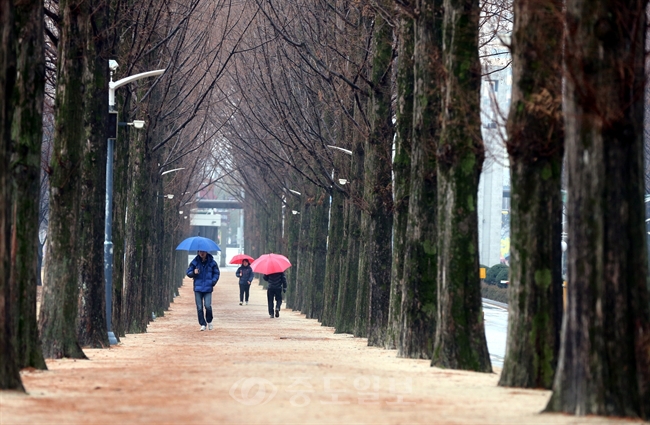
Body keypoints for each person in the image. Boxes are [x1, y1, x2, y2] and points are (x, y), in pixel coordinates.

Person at [186, 250, 220, 331]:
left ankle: (209, 320)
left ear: (207, 252)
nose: (202, 253)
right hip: (198, 288)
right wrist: (193, 272)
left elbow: (216, 273)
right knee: (199, 307)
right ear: (198, 252)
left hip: (208, 288)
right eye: (200, 251)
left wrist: (213, 281)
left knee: (208, 306)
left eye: (203, 251)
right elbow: (188, 272)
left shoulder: (212, 263)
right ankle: (202, 323)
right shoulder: (194, 262)